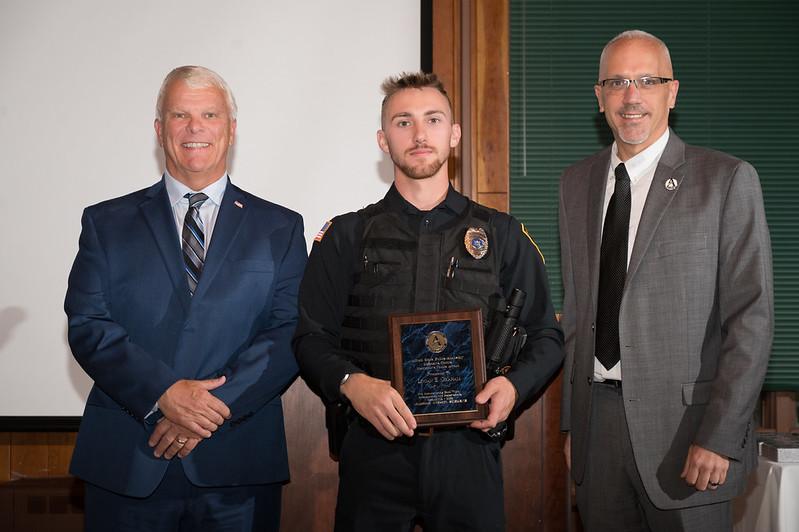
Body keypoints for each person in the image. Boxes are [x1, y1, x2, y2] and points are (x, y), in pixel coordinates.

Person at [293, 71, 564, 531]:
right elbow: (309, 337)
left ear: (454, 134)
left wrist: (514, 387)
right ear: (383, 140)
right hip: (373, 450)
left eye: (433, 120)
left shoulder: (502, 235)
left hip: (470, 451)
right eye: (403, 122)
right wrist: (352, 383)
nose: (419, 134)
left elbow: (548, 336)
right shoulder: (345, 236)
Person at [64, 65, 306, 531]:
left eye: (209, 114)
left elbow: (290, 327)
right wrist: (164, 394)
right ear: (160, 130)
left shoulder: (280, 226)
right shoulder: (106, 222)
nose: (195, 128)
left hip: (237, 461)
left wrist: (204, 410)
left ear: (230, 129)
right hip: (128, 457)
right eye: (180, 115)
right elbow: (89, 324)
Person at [559, 30, 773, 531]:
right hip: (599, 434)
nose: (631, 96)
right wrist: (575, 424)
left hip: (690, 436)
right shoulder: (575, 184)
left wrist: (720, 435)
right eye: (616, 82)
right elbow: (577, 314)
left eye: (646, 80)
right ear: (599, 95)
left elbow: (752, 319)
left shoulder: (726, 180)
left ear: (671, 92)